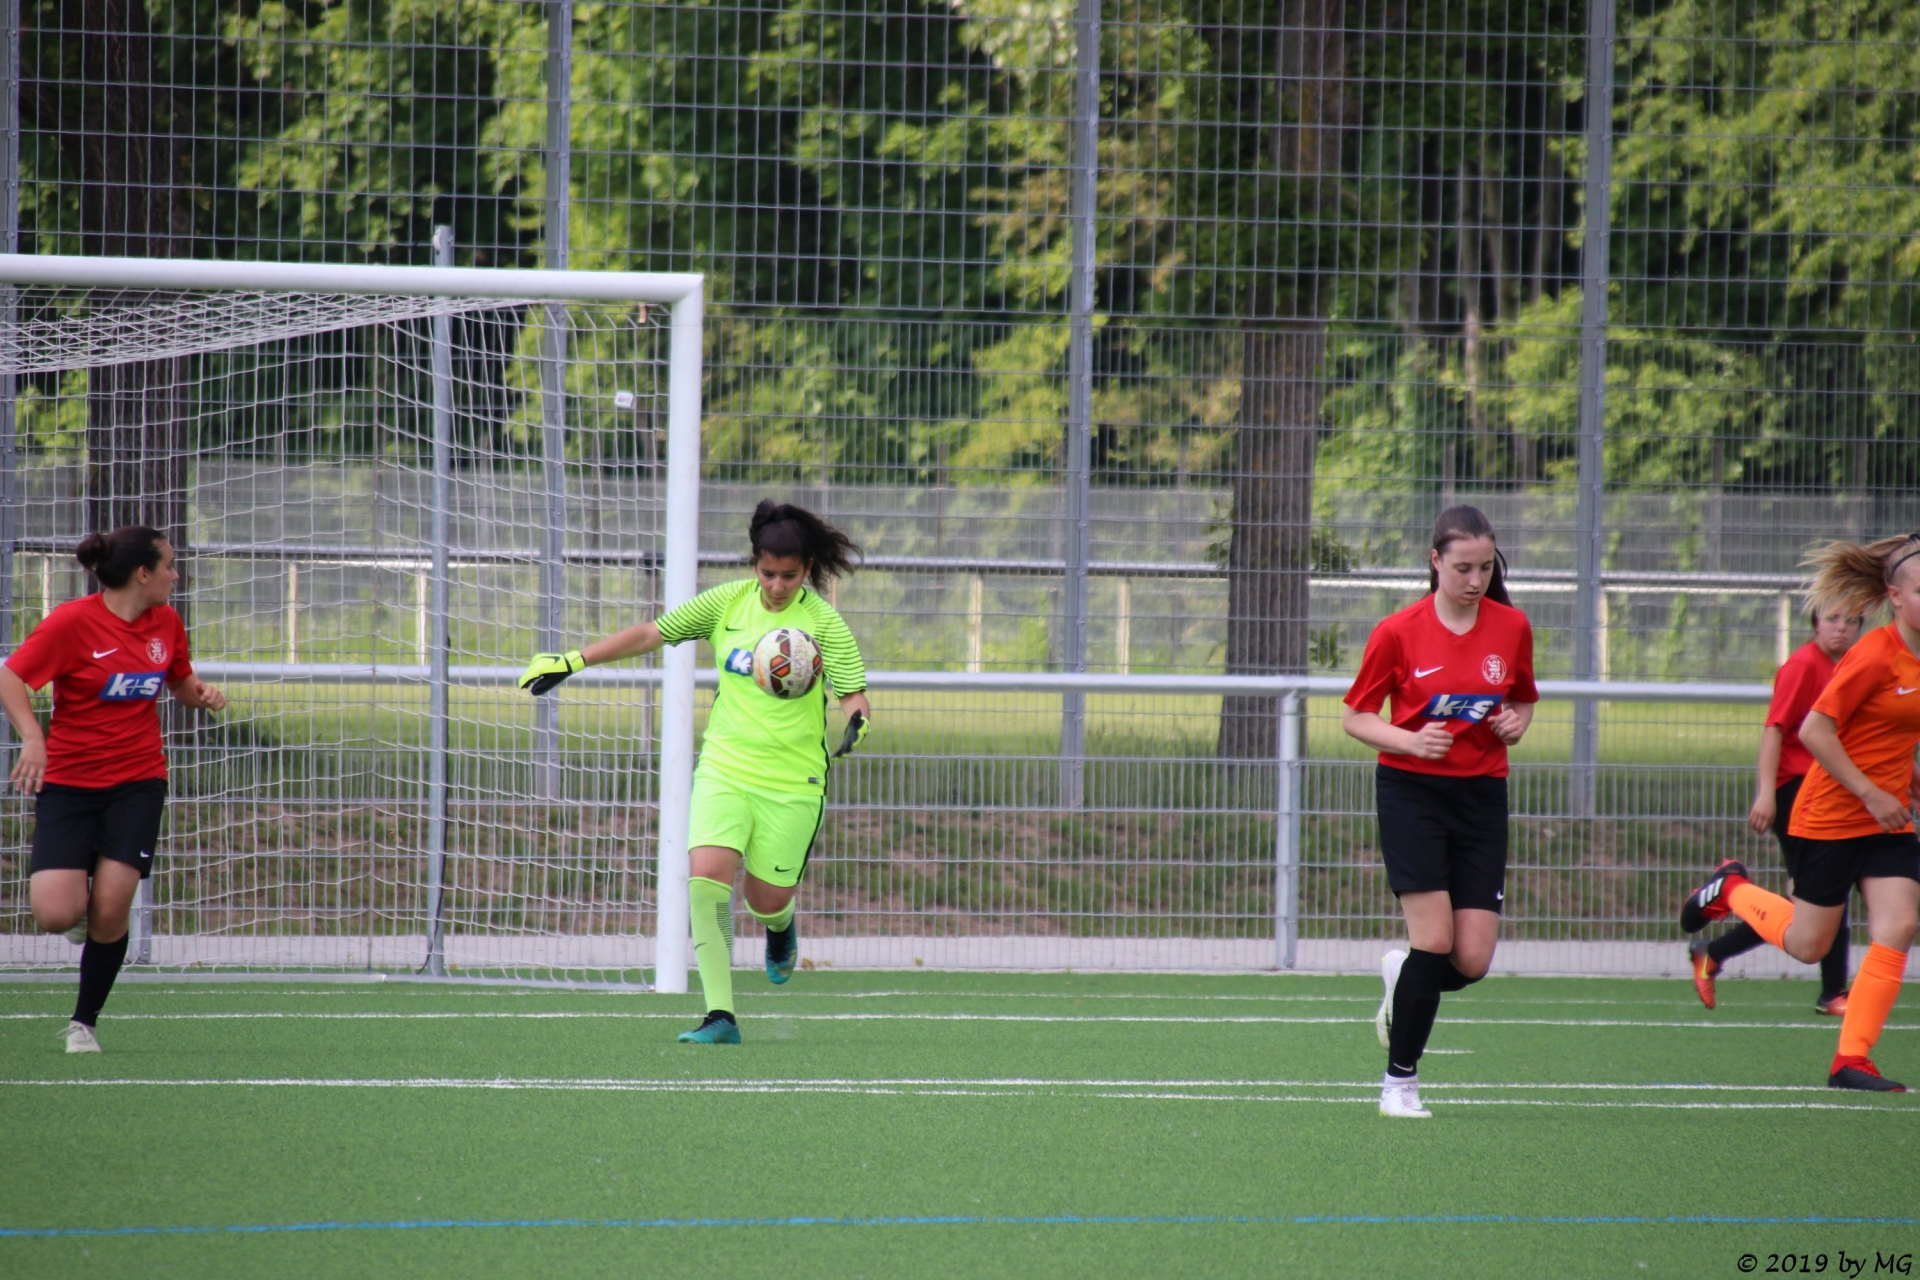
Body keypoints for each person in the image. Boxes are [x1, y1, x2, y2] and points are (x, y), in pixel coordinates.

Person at [518, 501, 869, 1044]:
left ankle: (780, 926)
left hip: (793, 782)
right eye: (767, 573)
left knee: (765, 899)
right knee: (704, 880)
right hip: (725, 768)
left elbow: (853, 695)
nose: (777, 586)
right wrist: (573, 661)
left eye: (789, 575)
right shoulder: (726, 603)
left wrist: (857, 724)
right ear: (754, 564)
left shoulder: (824, 623)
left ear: (807, 569)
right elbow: (651, 633)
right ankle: (720, 1016)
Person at [1681, 534, 1920, 1092]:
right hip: (1833, 814)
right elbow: (1814, 731)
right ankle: (1731, 889)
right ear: (1895, 597)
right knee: (1809, 944)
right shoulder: (1874, 654)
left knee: (1900, 924)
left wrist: (1905, 780)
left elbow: (1887, 733)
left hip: (1887, 820)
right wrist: (1870, 792)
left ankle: (1851, 1061)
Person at [1342, 505, 1538, 1118]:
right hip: (1412, 794)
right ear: (1435, 562)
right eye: (1462, 568)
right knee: (1433, 940)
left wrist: (1516, 723)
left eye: (1485, 567)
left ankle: (1403, 977)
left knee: (1471, 960)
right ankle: (1398, 1085)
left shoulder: (1512, 627)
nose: (1475, 580)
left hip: (1482, 798)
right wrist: (1409, 740)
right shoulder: (1398, 632)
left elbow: (1523, 701)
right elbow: (1355, 717)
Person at [0, 527, 226, 1053]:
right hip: (69, 784)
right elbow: (10, 678)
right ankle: (81, 906)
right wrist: (33, 738)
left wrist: (199, 694)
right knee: (56, 914)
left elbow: (178, 681)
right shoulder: (72, 622)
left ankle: (84, 1024)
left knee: (111, 909)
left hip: (138, 782)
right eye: (169, 565)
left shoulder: (166, 622)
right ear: (142, 574)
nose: (176, 575)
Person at [1691, 608, 1862, 1014]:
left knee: (1811, 904)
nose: (1842, 627)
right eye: (1833, 617)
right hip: (1798, 795)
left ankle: (1714, 950)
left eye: (1852, 619)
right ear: (1815, 623)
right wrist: (1766, 794)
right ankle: (1832, 992)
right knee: (1824, 894)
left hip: (1830, 794)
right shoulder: (1803, 666)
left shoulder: (1854, 665)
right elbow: (1775, 728)